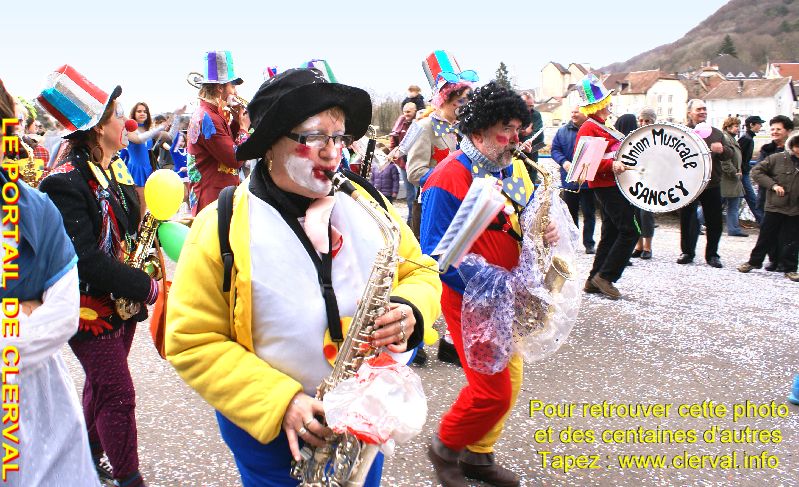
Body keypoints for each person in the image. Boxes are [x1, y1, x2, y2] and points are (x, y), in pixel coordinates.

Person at [165, 68, 442, 486]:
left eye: (340, 137)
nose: (334, 154)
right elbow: (190, 339)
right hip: (274, 434)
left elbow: (419, 268)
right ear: (272, 144)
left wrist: (410, 310)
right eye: (315, 138)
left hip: (362, 414)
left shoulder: (365, 201)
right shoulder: (219, 223)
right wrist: (280, 402)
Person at [421, 81, 558, 487]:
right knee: (492, 391)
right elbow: (436, 256)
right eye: (507, 130)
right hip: (470, 303)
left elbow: (525, 220)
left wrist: (544, 230)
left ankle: (479, 456)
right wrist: (492, 283)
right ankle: (445, 446)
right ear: (478, 131)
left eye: (519, 128)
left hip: (509, 297)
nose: (517, 139)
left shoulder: (513, 169)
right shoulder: (446, 179)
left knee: (509, 380)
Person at [36, 65, 158, 487]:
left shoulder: (112, 169)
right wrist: (145, 284)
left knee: (103, 386)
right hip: (89, 308)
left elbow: (128, 227)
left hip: (119, 304)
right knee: (118, 395)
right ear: (95, 128)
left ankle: (87, 455)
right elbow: (84, 259)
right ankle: (129, 479)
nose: (126, 122)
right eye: (116, 115)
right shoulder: (64, 181)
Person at [1, 79, 100, 487]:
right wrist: (19, 312)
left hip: (35, 415)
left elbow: (60, 315)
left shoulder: (33, 206)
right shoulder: (63, 178)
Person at [575, 75, 639, 299]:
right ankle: (607, 276)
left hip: (613, 185)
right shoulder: (589, 128)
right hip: (606, 185)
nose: (610, 105)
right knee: (631, 231)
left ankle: (594, 279)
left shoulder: (601, 126)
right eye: (607, 102)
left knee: (611, 233)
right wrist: (612, 164)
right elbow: (583, 163)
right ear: (600, 105)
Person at [187, 50, 250, 215]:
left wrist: (236, 122)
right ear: (220, 87)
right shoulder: (208, 118)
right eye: (232, 85)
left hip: (217, 196)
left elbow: (226, 144)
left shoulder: (213, 113)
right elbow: (235, 158)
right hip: (211, 201)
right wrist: (243, 128)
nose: (235, 92)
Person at [677, 99, 732, 268]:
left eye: (704, 109)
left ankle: (712, 254)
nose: (702, 112)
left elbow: (729, 154)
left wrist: (722, 150)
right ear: (689, 113)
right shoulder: (681, 132)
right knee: (687, 218)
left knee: (714, 220)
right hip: (688, 184)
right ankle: (687, 252)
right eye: (699, 109)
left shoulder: (716, 133)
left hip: (711, 183)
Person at [738, 131, 799, 282]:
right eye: (797, 146)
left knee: (791, 239)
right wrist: (773, 185)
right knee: (766, 236)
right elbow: (756, 172)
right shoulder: (777, 158)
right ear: (792, 146)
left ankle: (790, 268)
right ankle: (754, 262)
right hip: (775, 206)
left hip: (795, 209)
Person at [550, 104, 595, 254]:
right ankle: (572, 242)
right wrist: (564, 162)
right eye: (572, 111)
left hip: (588, 180)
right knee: (570, 213)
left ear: (585, 113)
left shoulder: (592, 129)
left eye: (576, 111)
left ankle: (589, 244)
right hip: (569, 180)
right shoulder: (562, 131)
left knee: (589, 213)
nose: (573, 114)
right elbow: (555, 150)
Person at [126, 101, 168, 217]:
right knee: (141, 204)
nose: (142, 113)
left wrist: (178, 117)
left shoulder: (148, 130)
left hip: (149, 169)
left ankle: (143, 230)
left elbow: (170, 136)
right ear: (133, 113)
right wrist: (157, 129)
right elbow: (139, 139)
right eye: (139, 111)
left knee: (150, 202)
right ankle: (137, 231)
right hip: (136, 170)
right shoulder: (130, 130)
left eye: (145, 111)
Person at [630, 108, 657, 259]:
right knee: (635, 214)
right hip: (637, 179)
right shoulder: (635, 137)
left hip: (651, 180)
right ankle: (638, 245)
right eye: (641, 120)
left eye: (647, 121)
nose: (643, 123)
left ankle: (648, 246)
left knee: (646, 214)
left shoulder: (657, 138)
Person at [388, 101, 418, 219]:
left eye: (409, 112)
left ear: (414, 111)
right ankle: (411, 218)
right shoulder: (401, 124)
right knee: (410, 193)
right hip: (403, 164)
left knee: (418, 193)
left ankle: (417, 218)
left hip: (417, 162)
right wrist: (396, 158)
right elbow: (393, 141)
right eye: (404, 112)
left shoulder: (418, 123)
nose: (406, 114)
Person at [720, 116, 748, 237]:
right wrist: (733, 172)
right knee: (718, 205)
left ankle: (733, 229)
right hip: (729, 178)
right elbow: (724, 160)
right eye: (736, 126)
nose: (738, 129)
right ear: (729, 126)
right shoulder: (726, 138)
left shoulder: (730, 138)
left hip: (733, 177)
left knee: (732, 204)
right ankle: (696, 221)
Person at [738, 115, 765, 223]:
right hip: (742, 173)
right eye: (759, 124)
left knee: (729, 198)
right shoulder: (746, 139)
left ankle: (700, 218)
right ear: (752, 125)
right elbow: (738, 156)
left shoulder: (747, 138)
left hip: (742, 172)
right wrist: (741, 169)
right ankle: (763, 222)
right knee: (752, 198)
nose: (761, 126)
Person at [518, 91, 544, 182]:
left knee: (530, 189)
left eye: (531, 106)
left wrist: (524, 140)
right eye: (526, 106)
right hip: (514, 160)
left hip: (531, 160)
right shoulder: (513, 115)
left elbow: (540, 138)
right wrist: (523, 133)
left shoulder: (536, 115)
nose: (529, 109)